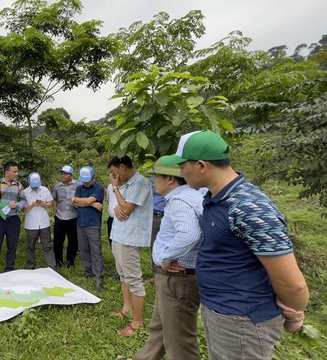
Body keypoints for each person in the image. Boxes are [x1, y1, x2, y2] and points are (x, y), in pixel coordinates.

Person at [162, 130, 309, 359]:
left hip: (242, 320)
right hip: (220, 312)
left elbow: (294, 285)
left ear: (201, 165)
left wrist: (294, 313)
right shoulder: (214, 198)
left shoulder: (248, 207)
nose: (180, 171)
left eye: (183, 165)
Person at [131, 157, 203, 360]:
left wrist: (165, 256)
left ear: (170, 179)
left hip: (178, 278)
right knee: (160, 327)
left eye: (156, 177)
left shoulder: (179, 202)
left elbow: (189, 234)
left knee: (180, 341)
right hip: (174, 278)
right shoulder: (193, 195)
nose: (154, 182)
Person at [109, 155, 153, 337]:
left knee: (134, 279)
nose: (113, 176)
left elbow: (126, 208)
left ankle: (137, 322)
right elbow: (118, 208)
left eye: (114, 172)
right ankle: (126, 309)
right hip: (119, 234)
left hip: (130, 237)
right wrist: (119, 204)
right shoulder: (126, 184)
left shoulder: (140, 183)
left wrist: (116, 188)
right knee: (123, 275)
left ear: (122, 167)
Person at [0, 161, 26, 276]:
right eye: (14, 171)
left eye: (17, 171)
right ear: (7, 172)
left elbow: (24, 200)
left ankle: (9, 270)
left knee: (12, 245)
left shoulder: (19, 185)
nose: (17, 174)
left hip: (13, 219)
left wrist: (17, 206)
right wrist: (3, 204)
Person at [71, 166, 105, 291]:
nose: (85, 183)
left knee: (95, 250)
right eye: (83, 180)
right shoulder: (79, 188)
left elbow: (82, 201)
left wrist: (83, 201)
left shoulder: (99, 188)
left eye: (88, 180)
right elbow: (74, 202)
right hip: (80, 222)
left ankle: (99, 276)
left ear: (93, 178)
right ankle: (88, 271)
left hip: (93, 223)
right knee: (83, 248)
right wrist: (91, 203)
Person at [23, 172, 56, 270]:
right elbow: (23, 210)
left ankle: (52, 267)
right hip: (31, 224)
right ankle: (31, 266)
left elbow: (50, 203)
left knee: (47, 245)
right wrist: (32, 205)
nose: (35, 187)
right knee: (31, 246)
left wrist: (43, 204)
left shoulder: (44, 190)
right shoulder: (25, 192)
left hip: (44, 222)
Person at [51, 165, 80, 268]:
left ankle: (70, 262)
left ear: (71, 175)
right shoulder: (57, 186)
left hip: (73, 217)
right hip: (60, 217)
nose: (63, 175)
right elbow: (54, 199)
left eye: (65, 174)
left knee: (73, 240)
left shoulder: (78, 185)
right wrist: (54, 211)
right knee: (58, 241)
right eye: (62, 173)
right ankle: (58, 261)